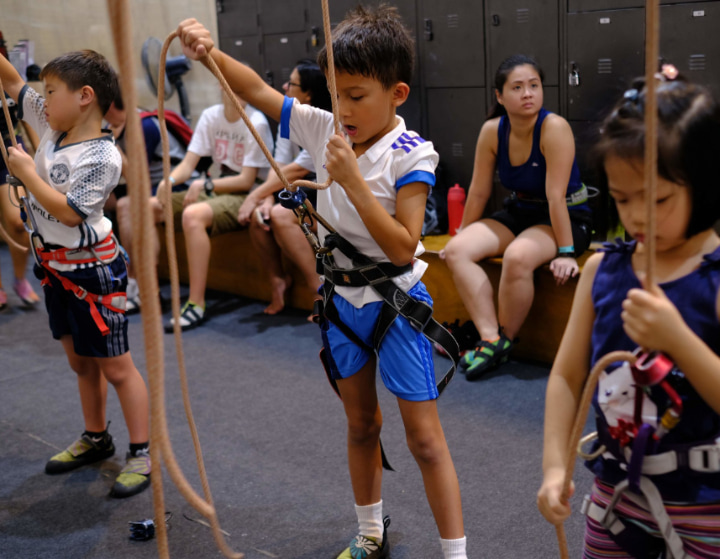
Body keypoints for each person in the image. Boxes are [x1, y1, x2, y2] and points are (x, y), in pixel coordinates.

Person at [176, 6, 468, 558]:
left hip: (395, 304)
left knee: (425, 439)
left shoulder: (411, 154)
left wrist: (354, 182)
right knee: (361, 425)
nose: (344, 109)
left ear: (397, 93)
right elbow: (261, 93)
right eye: (336, 94)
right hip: (342, 303)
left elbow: (405, 245)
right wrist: (210, 54)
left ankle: (456, 553)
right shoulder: (324, 125)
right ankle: (370, 531)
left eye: (358, 95)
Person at [537, 73, 720, 557]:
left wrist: (678, 339)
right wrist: (555, 466)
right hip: (617, 493)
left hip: (705, 504)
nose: (637, 216)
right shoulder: (602, 270)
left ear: (705, 185)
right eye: (621, 199)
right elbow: (567, 375)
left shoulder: (716, 280)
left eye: (657, 199)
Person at [2, 50, 151, 498]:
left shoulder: (103, 156)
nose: (41, 101)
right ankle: (95, 435)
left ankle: (141, 451)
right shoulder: (52, 128)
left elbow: (69, 214)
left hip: (92, 273)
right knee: (80, 361)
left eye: (50, 92)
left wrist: (27, 174)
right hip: (55, 269)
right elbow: (11, 82)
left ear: (85, 97)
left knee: (116, 367)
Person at [441, 54, 593, 380]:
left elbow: (556, 197)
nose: (528, 93)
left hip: (566, 217)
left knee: (518, 255)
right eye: (518, 87)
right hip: (520, 211)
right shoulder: (492, 131)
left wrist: (567, 251)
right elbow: (479, 191)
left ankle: (505, 337)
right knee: (457, 251)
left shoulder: (554, 128)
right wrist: (461, 232)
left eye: (534, 86)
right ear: (499, 95)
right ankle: (491, 339)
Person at [157, 88, 273, 331]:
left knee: (192, 215)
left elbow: (245, 180)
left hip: (248, 193)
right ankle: (146, 288)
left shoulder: (257, 122)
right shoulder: (211, 116)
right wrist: (168, 182)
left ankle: (196, 303)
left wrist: (206, 183)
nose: (237, 91)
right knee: (148, 207)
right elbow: (188, 164)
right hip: (218, 187)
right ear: (221, 87)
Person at [237, 60, 332, 315]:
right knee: (262, 215)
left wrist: (257, 194)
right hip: (301, 192)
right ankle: (277, 281)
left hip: (329, 198)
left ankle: (320, 292)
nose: (284, 86)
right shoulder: (291, 122)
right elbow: (279, 165)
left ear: (308, 94)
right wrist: (265, 198)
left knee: (279, 214)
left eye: (292, 83)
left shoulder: (324, 123)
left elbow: (296, 170)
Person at [107, 93, 195, 313]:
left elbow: (137, 179)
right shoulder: (115, 126)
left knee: (127, 206)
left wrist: (113, 145)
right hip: (151, 187)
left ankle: (143, 286)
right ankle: (119, 275)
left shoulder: (142, 126)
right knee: (102, 200)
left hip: (177, 186)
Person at [0, 91, 40, 310]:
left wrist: (45, 156)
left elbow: (27, 115)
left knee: (19, 221)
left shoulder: (6, 71)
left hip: (9, 149)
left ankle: (19, 279)